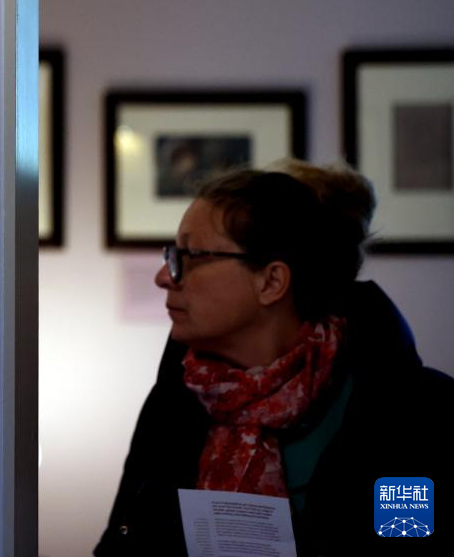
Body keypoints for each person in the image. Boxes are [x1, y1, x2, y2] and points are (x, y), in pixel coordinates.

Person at [94, 161, 454, 556]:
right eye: (172, 254)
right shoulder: (177, 400)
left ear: (271, 281)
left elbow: (409, 539)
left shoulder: (412, 412)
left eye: (191, 255)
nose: (164, 276)